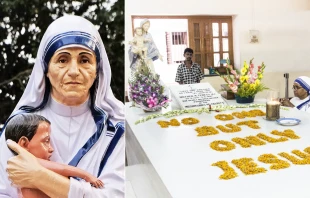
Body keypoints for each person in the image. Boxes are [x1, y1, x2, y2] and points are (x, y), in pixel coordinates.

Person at [0, 15, 124, 198]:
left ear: (97, 70)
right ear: (46, 70)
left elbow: (115, 195)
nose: (74, 72)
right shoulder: (19, 127)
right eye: (62, 60)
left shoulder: (116, 128)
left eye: (84, 60)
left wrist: (40, 176)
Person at [5, 113, 104, 198]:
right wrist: (88, 176)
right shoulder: (34, 163)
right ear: (24, 144)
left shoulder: (17, 168)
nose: (51, 149)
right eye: (46, 141)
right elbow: (63, 168)